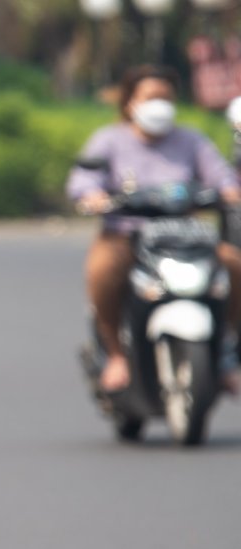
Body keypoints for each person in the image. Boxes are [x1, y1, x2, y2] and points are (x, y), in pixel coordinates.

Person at [67, 65, 241, 393]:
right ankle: (116, 354)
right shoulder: (109, 140)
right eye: (151, 98)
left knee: (233, 264)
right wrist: (93, 196)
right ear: (130, 102)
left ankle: (226, 350)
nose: (160, 105)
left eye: (166, 98)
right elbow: (84, 179)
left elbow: (222, 177)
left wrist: (229, 191)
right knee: (101, 270)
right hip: (126, 236)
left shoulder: (191, 140)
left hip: (185, 235)